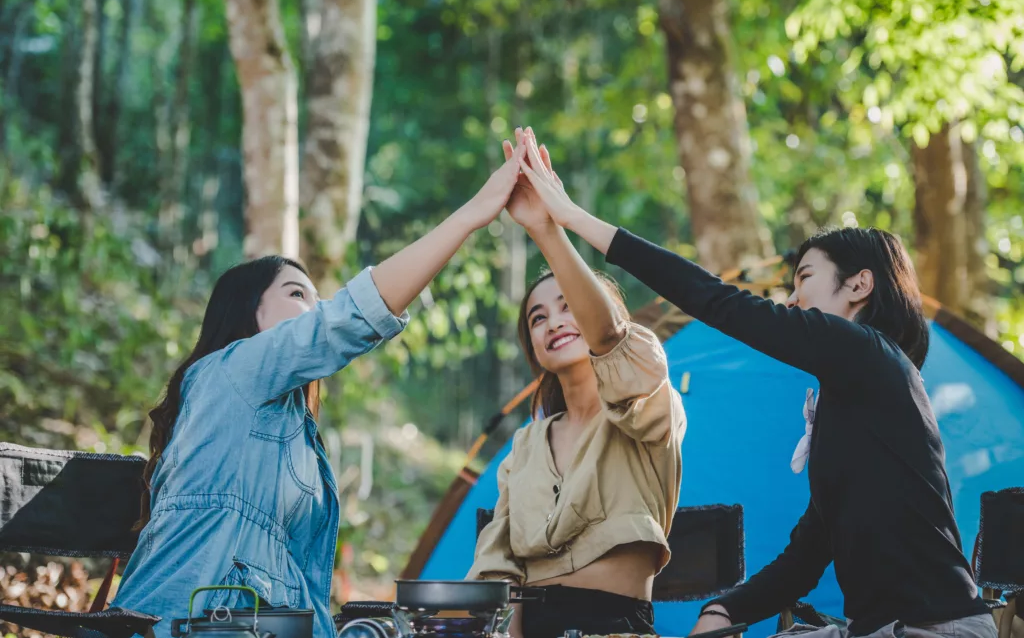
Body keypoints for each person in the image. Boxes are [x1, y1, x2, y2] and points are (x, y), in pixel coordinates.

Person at [512, 125, 996, 638]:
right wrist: (725, 610)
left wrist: (570, 219)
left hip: (934, 628)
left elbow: (718, 301)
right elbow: (809, 554)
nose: (790, 299)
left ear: (859, 283)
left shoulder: (871, 354)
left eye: (804, 278)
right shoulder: (852, 399)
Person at [113, 142, 529, 638]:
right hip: (190, 620)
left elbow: (303, 585)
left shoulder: (296, 430)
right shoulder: (228, 371)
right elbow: (348, 319)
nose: (315, 310)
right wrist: (471, 216)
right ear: (249, 311)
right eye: (296, 295)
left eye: (318, 299)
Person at [468, 129, 686, 638]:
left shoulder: (648, 402)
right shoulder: (524, 446)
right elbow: (499, 568)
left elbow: (610, 338)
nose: (554, 322)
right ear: (534, 348)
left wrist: (548, 229)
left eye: (568, 305)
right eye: (538, 318)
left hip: (615, 626)